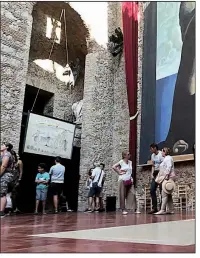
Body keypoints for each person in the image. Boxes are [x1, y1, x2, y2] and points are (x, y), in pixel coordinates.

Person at [112, 151, 136, 215]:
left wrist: (131, 177)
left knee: (132, 193)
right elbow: (113, 166)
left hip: (129, 179)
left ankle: (133, 208)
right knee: (122, 194)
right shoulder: (121, 162)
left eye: (129, 154)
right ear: (125, 156)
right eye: (128, 154)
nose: (129, 155)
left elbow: (130, 171)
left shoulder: (130, 162)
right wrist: (119, 172)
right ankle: (123, 209)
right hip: (122, 179)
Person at [154, 147, 176, 215]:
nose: (162, 152)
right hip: (168, 177)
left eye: (162, 151)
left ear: (165, 152)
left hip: (168, 177)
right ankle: (171, 209)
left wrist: (166, 176)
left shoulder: (168, 158)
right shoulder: (166, 158)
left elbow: (169, 167)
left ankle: (162, 209)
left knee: (164, 193)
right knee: (168, 193)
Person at [0, 142, 15, 218]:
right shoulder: (3, 154)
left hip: (4, 175)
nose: (1, 146)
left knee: (2, 193)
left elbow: (3, 166)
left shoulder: (7, 154)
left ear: (6, 147)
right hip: (3, 175)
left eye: (2, 145)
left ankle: (1, 212)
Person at [149, 143, 164, 214]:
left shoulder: (161, 154)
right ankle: (154, 208)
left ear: (155, 148)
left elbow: (164, 165)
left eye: (151, 148)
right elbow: (153, 165)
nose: (150, 150)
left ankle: (162, 208)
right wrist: (152, 174)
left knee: (162, 191)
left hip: (160, 173)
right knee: (152, 190)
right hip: (155, 173)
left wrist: (161, 175)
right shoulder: (152, 155)